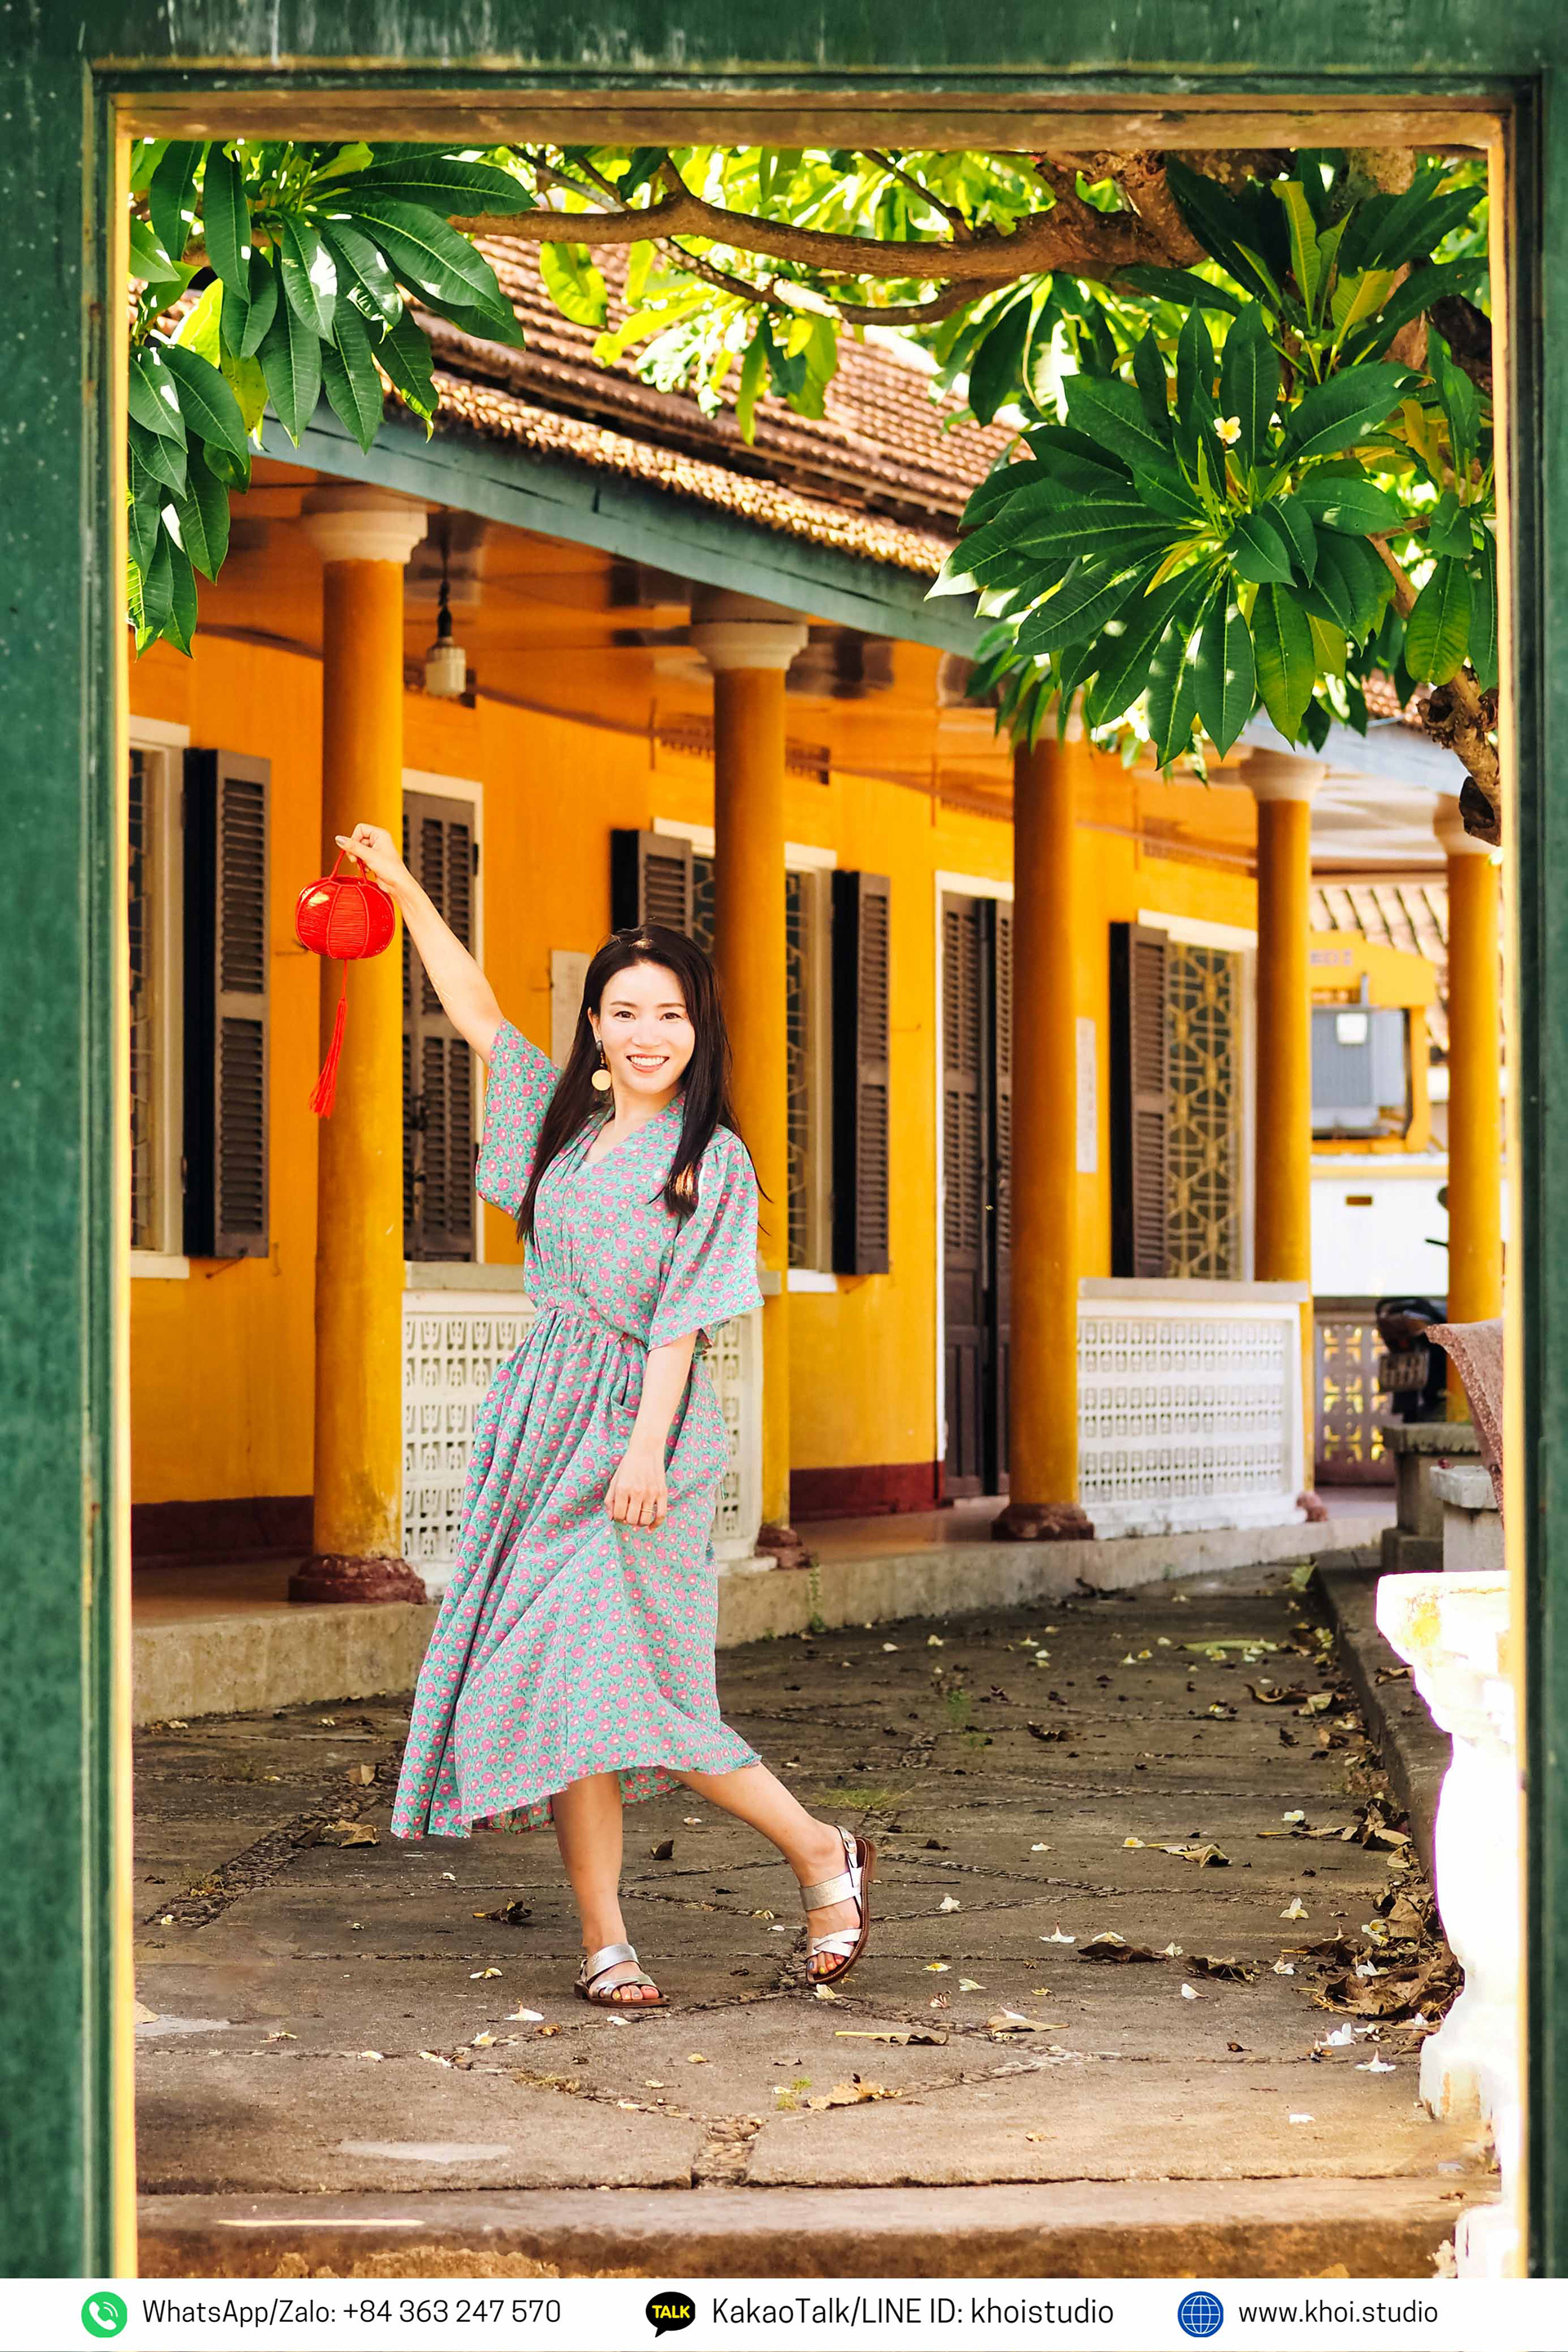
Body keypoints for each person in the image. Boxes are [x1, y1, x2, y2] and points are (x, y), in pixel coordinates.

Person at [338, 824, 873, 2008]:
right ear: (594, 1028)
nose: (647, 1034)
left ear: (700, 1029)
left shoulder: (712, 1159)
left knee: (641, 1693)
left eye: (671, 1015)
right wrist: (408, 890)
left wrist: (642, 1452)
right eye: (625, 1012)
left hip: (647, 1438)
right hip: (543, 1423)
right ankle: (605, 1941)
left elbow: (685, 1320)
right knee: (573, 1692)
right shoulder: (558, 1129)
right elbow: (475, 1010)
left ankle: (820, 1852)